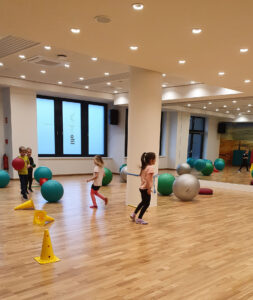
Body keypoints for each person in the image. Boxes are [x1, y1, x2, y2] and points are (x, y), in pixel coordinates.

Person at [130, 152, 156, 225]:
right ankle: (139, 218)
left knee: (143, 202)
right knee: (147, 204)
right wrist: (149, 188)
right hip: (145, 188)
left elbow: (142, 177)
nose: (155, 160)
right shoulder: (150, 168)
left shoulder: (144, 167)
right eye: (155, 159)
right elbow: (148, 179)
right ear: (151, 160)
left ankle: (134, 214)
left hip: (141, 188)